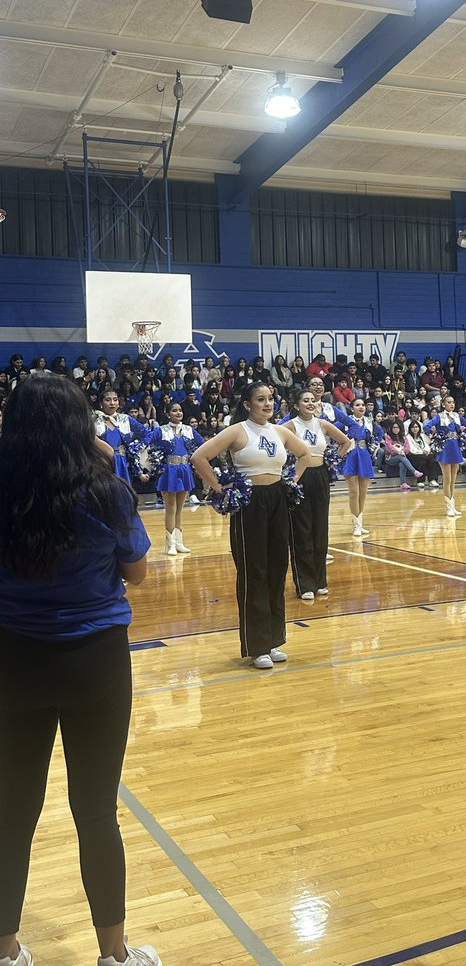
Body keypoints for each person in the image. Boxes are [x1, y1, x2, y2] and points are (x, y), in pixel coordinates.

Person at [0, 376, 160, 966]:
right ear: (80, 425)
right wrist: (110, 466)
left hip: (12, 658)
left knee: (11, 811)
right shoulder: (106, 490)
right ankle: (115, 955)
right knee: (95, 809)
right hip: (95, 662)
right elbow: (138, 573)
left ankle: (6, 949)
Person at [191, 383, 311, 669]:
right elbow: (199, 458)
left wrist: (291, 481)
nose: (267, 404)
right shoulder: (237, 431)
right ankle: (257, 646)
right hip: (250, 504)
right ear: (247, 404)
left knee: (277, 566)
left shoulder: (280, 431)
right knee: (254, 570)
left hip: (278, 499)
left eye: (270, 399)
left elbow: (305, 454)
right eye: (260, 400)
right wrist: (220, 490)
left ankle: (273, 640)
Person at [284, 389, 350, 600]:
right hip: (299, 478)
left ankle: (320, 581)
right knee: (301, 532)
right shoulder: (289, 427)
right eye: (305, 401)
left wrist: (332, 462)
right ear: (296, 405)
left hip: (320, 477)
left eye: (313, 400)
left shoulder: (322, 424)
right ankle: (305, 584)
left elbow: (346, 442)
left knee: (320, 530)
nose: (311, 403)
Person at [141, 403, 205, 556]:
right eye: (174, 410)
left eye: (180, 410)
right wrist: (148, 465)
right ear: (168, 413)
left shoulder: (189, 430)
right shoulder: (161, 430)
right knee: (171, 507)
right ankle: (169, 544)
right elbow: (144, 443)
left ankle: (179, 542)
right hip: (168, 470)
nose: (178, 413)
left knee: (180, 509)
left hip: (184, 469)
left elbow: (204, 445)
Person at [424, 396, 466, 518]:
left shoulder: (457, 416)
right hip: (444, 448)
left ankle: (453, 505)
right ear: (443, 404)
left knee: (454, 479)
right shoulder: (439, 416)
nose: (451, 404)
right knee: (447, 478)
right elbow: (426, 427)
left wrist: (463, 432)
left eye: (453, 402)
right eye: (449, 402)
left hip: (455, 446)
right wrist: (434, 434)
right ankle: (448, 506)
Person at [342, 397, 384, 537]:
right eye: (358, 405)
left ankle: (360, 523)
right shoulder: (346, 421)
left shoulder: (369, 422)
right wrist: (341, 446)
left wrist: (373, 446)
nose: (361, 407)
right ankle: (356, 525)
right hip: (351, 456)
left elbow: (380, 433)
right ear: (352, 408)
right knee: (354, 493)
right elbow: (332, 430)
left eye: (363, 405)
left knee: (363, 493)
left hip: (365, 455)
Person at [94, 390, 148, 487]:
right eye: (108, 400)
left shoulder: (125, 419)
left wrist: (136, 448)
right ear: (101, 403)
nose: (112, 403)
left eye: (115, 400)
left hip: (122, 462)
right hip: (102, 462)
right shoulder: (94, 420)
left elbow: (146, 433)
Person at [383, 419, 424, 490]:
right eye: (394, 428)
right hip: (390, 458)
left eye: (397, 427)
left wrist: (403, 451)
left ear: (400, 428)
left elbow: (407, 448)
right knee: (401, 457)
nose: (395, 429)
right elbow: (389, 448)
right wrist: (398, 452)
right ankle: (414, 471)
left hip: (401, 456)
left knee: (402, 463)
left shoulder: (403, 437)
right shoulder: (388, 437)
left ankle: (403, 483)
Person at [403, 420, 440, 487]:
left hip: (424, 455)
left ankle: (432, 480)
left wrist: (426, 450)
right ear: (410, 429)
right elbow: (411, 449)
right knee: (424, 460)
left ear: (419, 428)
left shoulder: (422, 436)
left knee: (431, 460)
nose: (415, 429)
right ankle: (420, 481)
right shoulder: (407, 437)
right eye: (413, 427)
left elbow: (427, 445)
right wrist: (422, 452)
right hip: (413, 456)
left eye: (416, 427)